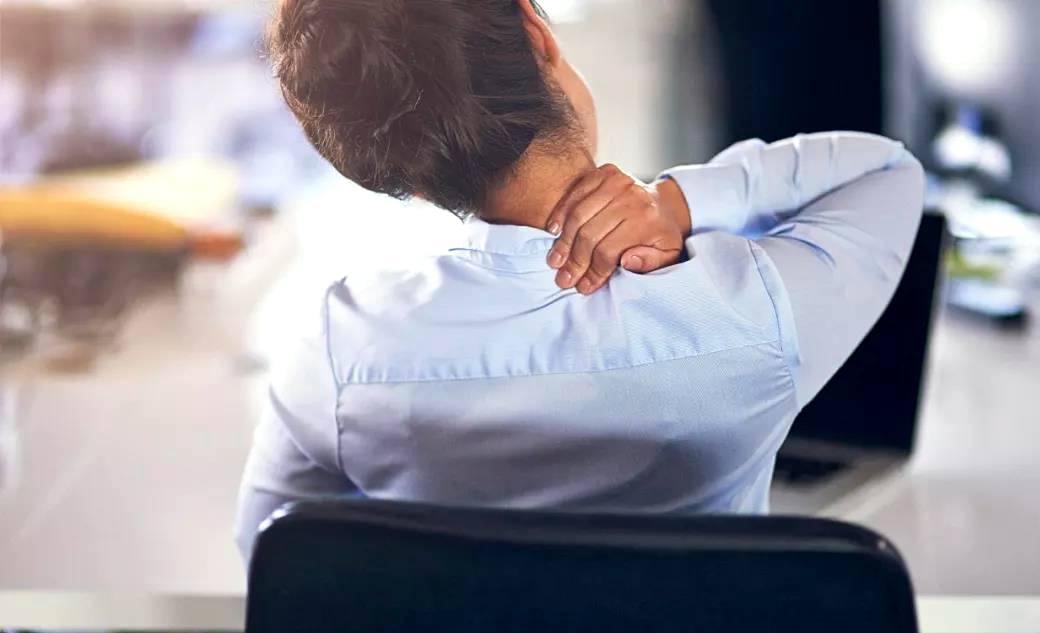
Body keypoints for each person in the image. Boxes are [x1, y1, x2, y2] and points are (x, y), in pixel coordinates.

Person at [235, 0, 925, 559]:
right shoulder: (751, 312)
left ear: (406, 179)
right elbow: (887, 173)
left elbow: (273, 551)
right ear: (537, 34)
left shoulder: (341, 352)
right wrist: (680, 202)